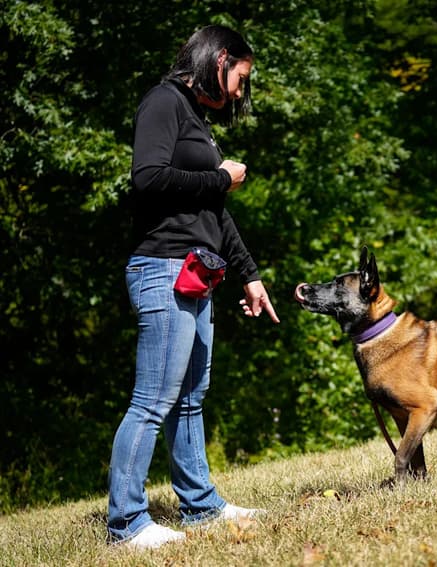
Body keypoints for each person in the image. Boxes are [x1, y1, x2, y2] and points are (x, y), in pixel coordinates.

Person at [107, 24, 280, 550]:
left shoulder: (198, 120)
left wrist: (249, 275)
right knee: (153, 399)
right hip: (162, 267)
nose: (239, 92)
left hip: (198, 271)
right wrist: (220, 178)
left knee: (189, 398)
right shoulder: (163, 102)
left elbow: (215, 213)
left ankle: (200, 505)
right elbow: (148, 178)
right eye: (241, 78)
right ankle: (127, 523)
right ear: (221, 58)